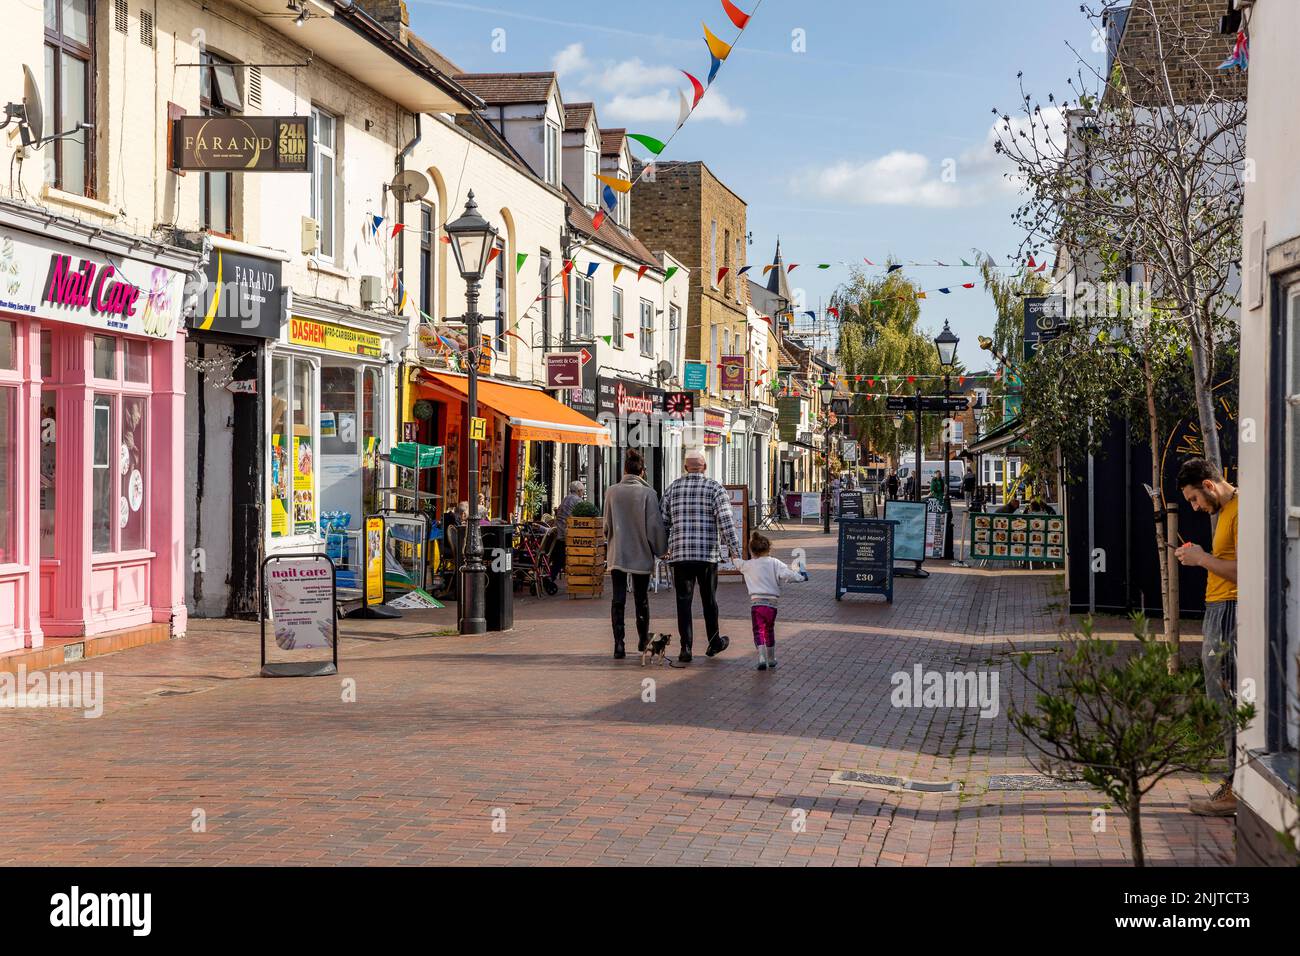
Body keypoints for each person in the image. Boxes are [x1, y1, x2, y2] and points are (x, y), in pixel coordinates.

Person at [1174, 458, 1239, 817]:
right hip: (1219, 608)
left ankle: (1236, 785)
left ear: (1209, 485)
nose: (1196, 508)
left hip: (1229, 609)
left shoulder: (1240, 511)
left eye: (1195, 499)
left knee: (1225, 694)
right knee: (1220, 694)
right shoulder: (1228, 511)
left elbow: (1246, 570)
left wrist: (1201, 559)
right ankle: (1234, 781)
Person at [660, 448, 741, 663]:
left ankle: (685, 648)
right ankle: (714, 641)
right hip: (707, 555)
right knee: (709, 600)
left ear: (685, 467)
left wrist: (663, 548)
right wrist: (736, 551)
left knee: (683, 602)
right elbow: (726, 523)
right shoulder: (715, 488)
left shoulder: (672, 489)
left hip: (681, 555)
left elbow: (663, 522)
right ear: (704, 467)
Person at [602, 449, 667, 660]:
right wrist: (661, 550)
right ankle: (642, 640)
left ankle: (618, 644)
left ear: (624, 470)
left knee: (618, 599)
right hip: (640, 554)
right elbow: (654, 528)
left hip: (618, 553)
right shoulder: (649, 494)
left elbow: (606, 526)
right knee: (641, 599)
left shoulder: (611, 492)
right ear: (643, 471)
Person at [731, 531, 808, 671]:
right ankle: (771, 658)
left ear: (751, 551)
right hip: (772, 605)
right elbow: (788, 575)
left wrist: (734, 555)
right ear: (769, 549)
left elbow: (738, 563)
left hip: (756, 604)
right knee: (769, 630)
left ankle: (761, 657)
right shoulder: (775, 563)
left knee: (758, 630)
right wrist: (801, 577)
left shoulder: (748, 565)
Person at [554, 480, 584, 576]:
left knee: (559, 558)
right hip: (567, 534)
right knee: (562, 558)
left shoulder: (565, 499)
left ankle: (551, 576)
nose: (583, 493)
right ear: (579, 491)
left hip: (559, 532)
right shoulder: (578, 501)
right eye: (582, 491)